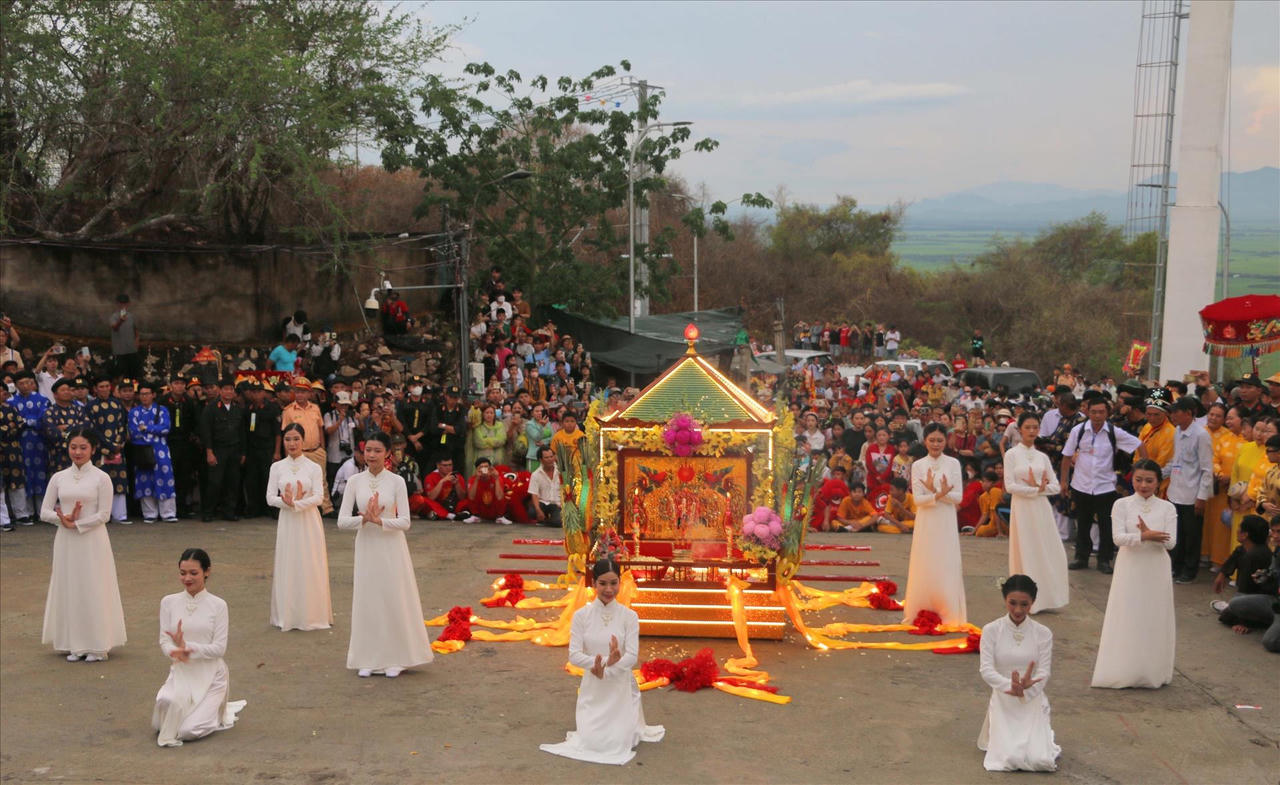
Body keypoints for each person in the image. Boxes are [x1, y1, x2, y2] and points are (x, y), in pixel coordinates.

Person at [540, 557, 665, 765]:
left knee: (619, 742)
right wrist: (598, 666)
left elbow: (632, 656)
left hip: (620, 685)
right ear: (594, 583)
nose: (609, 589)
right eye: (603, 583)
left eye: (613, 583)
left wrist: (608, 668)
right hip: (593, 684)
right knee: (592, 741)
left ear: (620, 583)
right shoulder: (582, 616)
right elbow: (574, 655)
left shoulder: (629, 616)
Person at [336, 433, 433, 678]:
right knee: (368, 599)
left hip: (391, 547)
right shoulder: (355, 481)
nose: (371, 455)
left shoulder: (397, 481)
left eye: (377, 450)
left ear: (387, 453)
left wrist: (381, 522)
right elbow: (341, 521)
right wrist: (364, 519)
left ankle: (397, 657)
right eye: (368, 449)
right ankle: (368, 657)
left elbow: (406, 522)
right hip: (366, 546)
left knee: (392, 598)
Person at [39, 428, 127, 662]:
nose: (77, 452)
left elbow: (104, 514)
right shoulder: (59, 477)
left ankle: (97, 644)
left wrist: (77, 524)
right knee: (70, 586)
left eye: (83, 447)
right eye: (73, 447)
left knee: (93, 585)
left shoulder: (101, 478)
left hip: (92, 539)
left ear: (93, 449)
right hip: (66, 541)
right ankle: (74, 644)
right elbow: (44, 511)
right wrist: (63, 520)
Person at [1091, 460, 1176, 689]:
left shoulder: (1168, 508)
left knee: (1153, 616)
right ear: (1132, 480)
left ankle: (1151, 670)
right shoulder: (1121, 504)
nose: (1143, 485)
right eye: (1139, 480)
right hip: (1130, 565)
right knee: (1128, 613)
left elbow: (1171, 542)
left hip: (1156, 567)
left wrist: (1152, 536)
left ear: (1158, 482)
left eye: (1149, 480)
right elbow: (1117, 538)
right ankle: (1124, 668)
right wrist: (1145, 536)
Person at [153, 548, 247, 747]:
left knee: (188, 731)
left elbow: (219, 648)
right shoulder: (168, 602)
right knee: (163, 711)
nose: (187, 578)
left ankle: (214, 713)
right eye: (182, 573)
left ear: (207, 571)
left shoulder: (218, 605)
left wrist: (188, 647)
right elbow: (164, 641)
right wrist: (175, 651)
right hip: (183, 671)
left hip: (211, 674)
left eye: (193, 573)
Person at [977, 574, 1059, 772]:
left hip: (1032, 699)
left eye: (1025, 604)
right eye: (1012, 603)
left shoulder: (1043, 633)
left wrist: (1026, 690)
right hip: (1004, 699)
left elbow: (1044, 672)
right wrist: (1010, 687)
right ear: (1004, 600)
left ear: (1033, 603)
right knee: (1009, 759)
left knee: (1040, 760)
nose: (1018, 610)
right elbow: (986, 669)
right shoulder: (991, 630)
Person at [1061, 394, 1140, 574]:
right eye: (1094, 412)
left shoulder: (1114, 432)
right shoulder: (1078, 431)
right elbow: (1066, 456)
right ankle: (1081, 556)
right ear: (1087, 412)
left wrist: (1143, 468)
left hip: (1106, 486)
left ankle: (1104, 560)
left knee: (1106, 525)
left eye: (1101, 412)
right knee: (1083, 523)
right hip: (1081, 485)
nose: (1097, 416)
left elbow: (1138, 444)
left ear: (1107, 413)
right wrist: (1063, 481)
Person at [266, 423, 333, 631]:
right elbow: (269, 498)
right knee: (289, 561)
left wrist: (297, 504)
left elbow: (319, 497)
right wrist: (284, 503)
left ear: (303, 441)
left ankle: (312, 614)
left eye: (296, 439)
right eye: (288, 439)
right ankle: (287, 614)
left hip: (308, 521)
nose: (292, 443)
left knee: (309, 562)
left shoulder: (313, 467)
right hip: (287, 521)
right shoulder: (276, 467)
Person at [902, 422, 967, 625]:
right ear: (925, 441)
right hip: (927, 520)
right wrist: (938, 494)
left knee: (946, 562)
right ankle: (921, 606)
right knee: (926, 561)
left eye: (940, 440)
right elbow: (918, 500)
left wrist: (937, 493)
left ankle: (947, 609)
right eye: (932, 440)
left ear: (946, 441)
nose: (936, 444)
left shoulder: (953, 463)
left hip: (946, 519)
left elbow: (957, 497)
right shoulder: (919, 465)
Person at [1004, 413, 1068, 613]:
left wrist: (1040, 490)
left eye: (1035, 427)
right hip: (1022, 508)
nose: (1032, 431)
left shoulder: (1043, 457)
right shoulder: (1012, 455)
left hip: (1041, 508)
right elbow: (1009, 486)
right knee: (1027, 549)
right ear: (1020, 429)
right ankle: (1024, 598)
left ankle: (1048, 596)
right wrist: (1033, 490)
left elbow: (1056, 486)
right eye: (1028, 427)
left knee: (1048, 549)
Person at [1165, 396, 1214, 583]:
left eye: (1177, 412)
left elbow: (1207, 469)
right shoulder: (1177, 431)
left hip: (1192, 494)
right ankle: (1176, 566)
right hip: (1175, 490)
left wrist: (1201, 497)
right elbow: (1175, 460)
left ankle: (1189, 570)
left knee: (1192, 535)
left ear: (1188, 413)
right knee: (1176, 532)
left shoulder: (1201, 435)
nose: (1173, 416)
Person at [129, 380, 179, 522]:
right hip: (142, 449)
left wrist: (147, 429)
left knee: (165, 478)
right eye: (142, 394)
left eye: (147, 394)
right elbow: (133, 431)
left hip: (160, 450)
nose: (144, 397)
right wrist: (152, 431)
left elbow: (165, 428)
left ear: (153, 395)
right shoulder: (134, 412)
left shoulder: (162, 410)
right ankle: (149, 513)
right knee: (145, 479)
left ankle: (168, 512)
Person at [198, 378, 247, 522]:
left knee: (232, 482)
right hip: (218, 449)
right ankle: (208, 511)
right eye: (225, 389)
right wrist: (209, 451)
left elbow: (242, 432)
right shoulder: (211, 408)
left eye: (231, 389)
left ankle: (229, 511)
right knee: (214, 482)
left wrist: (243, 452)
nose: (229, 392)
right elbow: (206, 432)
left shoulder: (237, 408)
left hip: (234, 449)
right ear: (220, 391)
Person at [460, 457, 513, 525]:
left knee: (504, 496)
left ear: (490, 468)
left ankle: (500, 517)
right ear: (477, 469)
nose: (484, 469)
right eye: (481, 467)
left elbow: (500, 497)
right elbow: (471, 497)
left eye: (486, 466)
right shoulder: (473, 479)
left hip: (494, 509)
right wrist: (477, 479)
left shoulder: (496, 478)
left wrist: (496, 479)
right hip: (480, 509)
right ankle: (476, 516)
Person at [109, 294, 142, 379]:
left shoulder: (131, 316)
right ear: (117, 304)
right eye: (120, 303)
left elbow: (136, 330)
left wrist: (137, 342)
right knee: (121, 376)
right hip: (120, 352)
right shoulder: (114, 316)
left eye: (124, 303)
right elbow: (114, 328)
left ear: (128, 304)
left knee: (134, 375)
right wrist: (120, 321)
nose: (122, 306)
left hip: (132, 351)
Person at [530, 445, 562, 528]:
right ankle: (544, 518)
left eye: (551, 456)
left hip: (557, 504)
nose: (550, 459)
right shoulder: (535, 475)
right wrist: (538, 510)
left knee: (558, 522)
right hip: (543, 503)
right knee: (532, 512)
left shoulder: (562, 471)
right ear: (541, 460)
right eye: (547, 458)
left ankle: (545, 521)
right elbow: (534, 494)